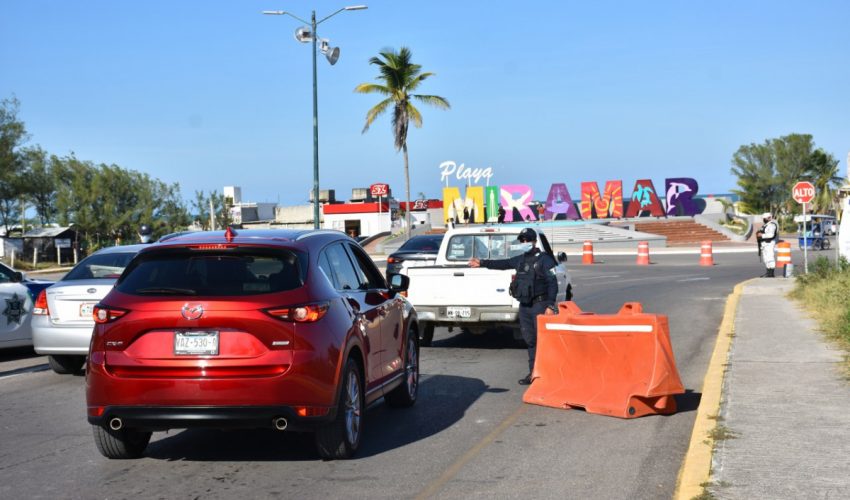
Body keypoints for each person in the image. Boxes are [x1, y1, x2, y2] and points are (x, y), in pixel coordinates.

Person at [469, 228, 558, 385]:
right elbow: (503, 263)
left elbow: (553, 283)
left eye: (527, 240)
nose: (524, 243)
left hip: (540, 304)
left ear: (534, 241)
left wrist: (551, 305)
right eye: (522, 240)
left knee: (543, 341)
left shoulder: (545, 260)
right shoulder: (520, 260)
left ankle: (549, 373)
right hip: (524, 306)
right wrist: (482, 262)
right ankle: (534, 374)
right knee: (530, 341)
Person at [756, 212, 778, 277]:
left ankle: (771, 273)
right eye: (764, 218)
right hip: (764, 244)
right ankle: (768, 272)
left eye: (765, 218)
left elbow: (771, 235)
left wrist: (762, 235)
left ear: (769, 218)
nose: (764, 219)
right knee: (766, 258)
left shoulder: (772, 225)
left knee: (770, 258)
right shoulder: (765, 225)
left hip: (769, 243)